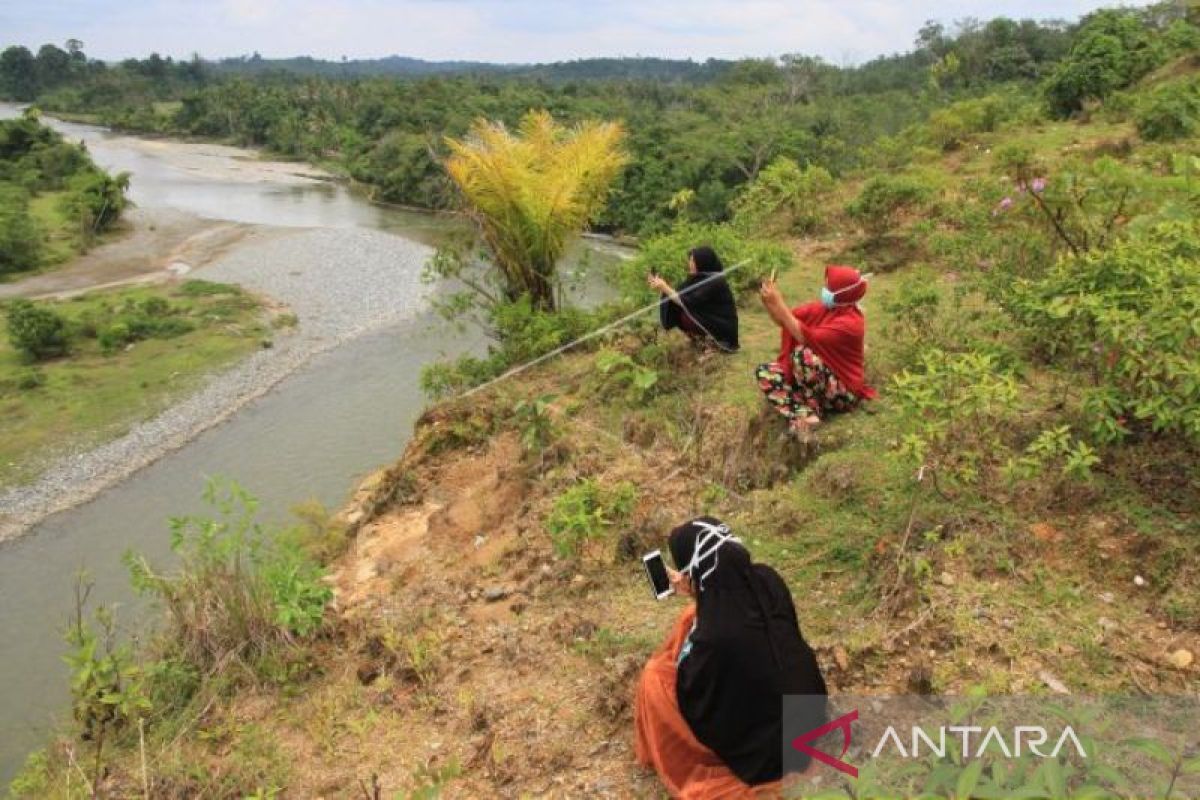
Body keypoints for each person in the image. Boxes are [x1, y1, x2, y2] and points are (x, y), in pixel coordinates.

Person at [635, 517, 827, 798]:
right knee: (693, 616)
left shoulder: (714, 634)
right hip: (810, 718)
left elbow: (696, 694)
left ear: (693, 569)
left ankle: (678, 751)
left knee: (655, 678)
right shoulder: (767, 578)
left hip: (769, 754)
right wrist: (696, 591)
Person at [755, 265, 876, 438]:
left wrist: (778, 302)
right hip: (818, 381)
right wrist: (769, 302)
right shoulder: (826, 308)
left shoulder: (851, 323)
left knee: (803, 356)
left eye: (829, 287)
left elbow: (805, 337)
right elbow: (786, 319)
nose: (825, 290)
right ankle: (804, 413)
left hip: (843, 391)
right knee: (766, 373)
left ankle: (813, 409)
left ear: (842, 293)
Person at [648, 246, 739, 352]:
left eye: (693, 261)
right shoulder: (698, 278)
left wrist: (665, 287)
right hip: (708, 318)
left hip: (721, 325)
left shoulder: (715, 281)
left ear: (703, 262)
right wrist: (661, 286)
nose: (690, 263)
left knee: (685, 312)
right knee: (675, 307)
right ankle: (699, 339)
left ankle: (713, 342)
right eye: (690, 260)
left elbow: (688, 301)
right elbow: (678, 295)